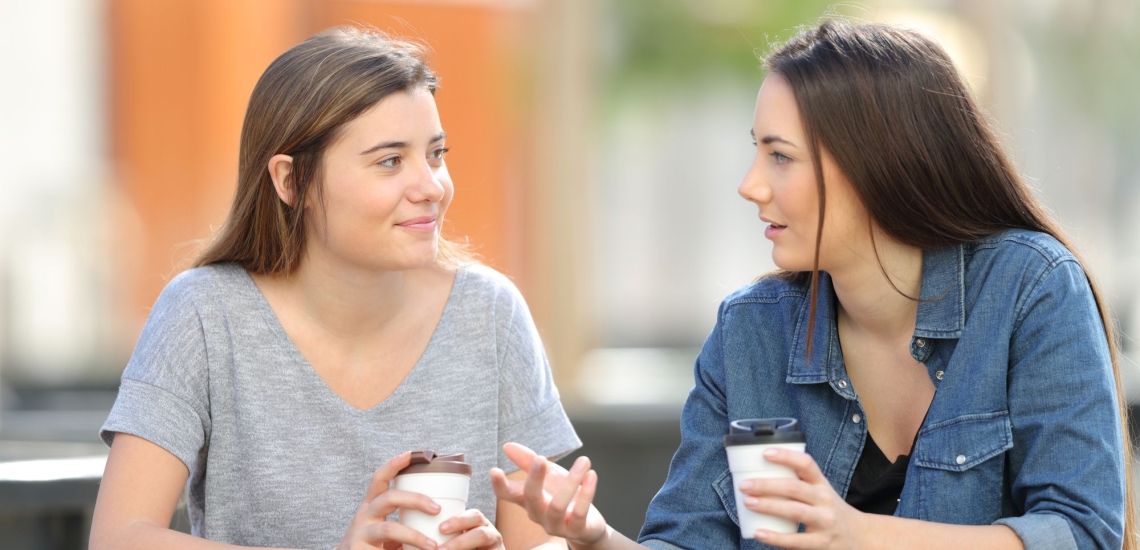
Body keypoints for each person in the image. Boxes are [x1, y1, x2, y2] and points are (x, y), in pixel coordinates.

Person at [490, 19, 1135, 550]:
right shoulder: (753, 330)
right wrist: (596, 538)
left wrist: (857, 534)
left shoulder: (1031, 288)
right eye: (756, 151)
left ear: (876, 162)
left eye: (780, 156)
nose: (750, 184)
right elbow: (690, 543)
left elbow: (1081, 533)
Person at [90, 27, 580, 550]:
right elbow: (119, 538)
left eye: (435, 154)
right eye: (390, 161)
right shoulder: (205, 314)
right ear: (290, 182)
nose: (432, 186)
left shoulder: (491, 313)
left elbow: (537, 543)